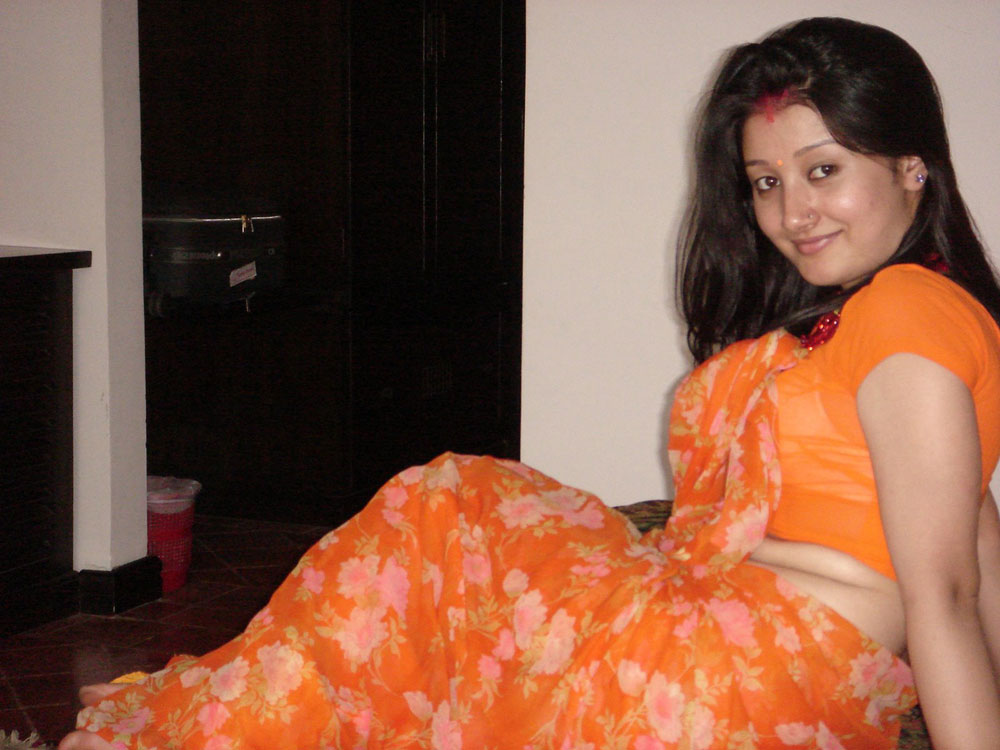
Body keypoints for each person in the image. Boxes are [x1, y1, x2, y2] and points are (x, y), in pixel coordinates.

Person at [60, 16, 1000, 750]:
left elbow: (951, 595)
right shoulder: (903, 312)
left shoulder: (906, 312)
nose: (793, 213)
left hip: (733, 670)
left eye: (823, 170)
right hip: (742, 646)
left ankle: (226, 710)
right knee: (451, 515)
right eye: (765, 182)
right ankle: (232, 700)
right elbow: (981, 540)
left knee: (444, 512)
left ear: (912, 164)